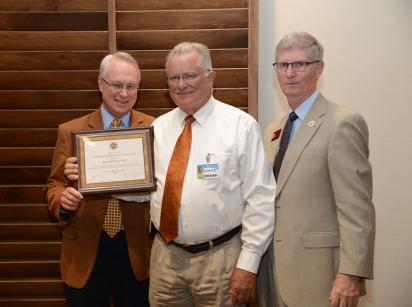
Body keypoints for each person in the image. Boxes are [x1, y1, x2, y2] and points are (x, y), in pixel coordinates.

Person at [149, 42, 276, 307]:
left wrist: (248, 264)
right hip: (165, 259)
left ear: (211, 76)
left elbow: (260, 198)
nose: (181, 84)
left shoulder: (240, 127)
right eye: (174, 77)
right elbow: (144, 189)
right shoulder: (157, 128)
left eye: (190, 75)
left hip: (220, 260)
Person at [257, 32, 375, 307]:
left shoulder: (342, 123)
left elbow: (356, 208)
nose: (289, 73)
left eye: (299, 64)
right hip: (272, 273)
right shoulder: (274, 130)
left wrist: (351, 272)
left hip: (320, 277)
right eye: (283, 65)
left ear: (319, 68)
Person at [44, 52, 154, 307]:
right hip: (85, 252)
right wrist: (63, 199)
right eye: (116, 85)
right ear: (101, 84)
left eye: (131, 86)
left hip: (138, 253)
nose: (124, 93)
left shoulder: (155, 128)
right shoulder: (71, 131)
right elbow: (54, 184)